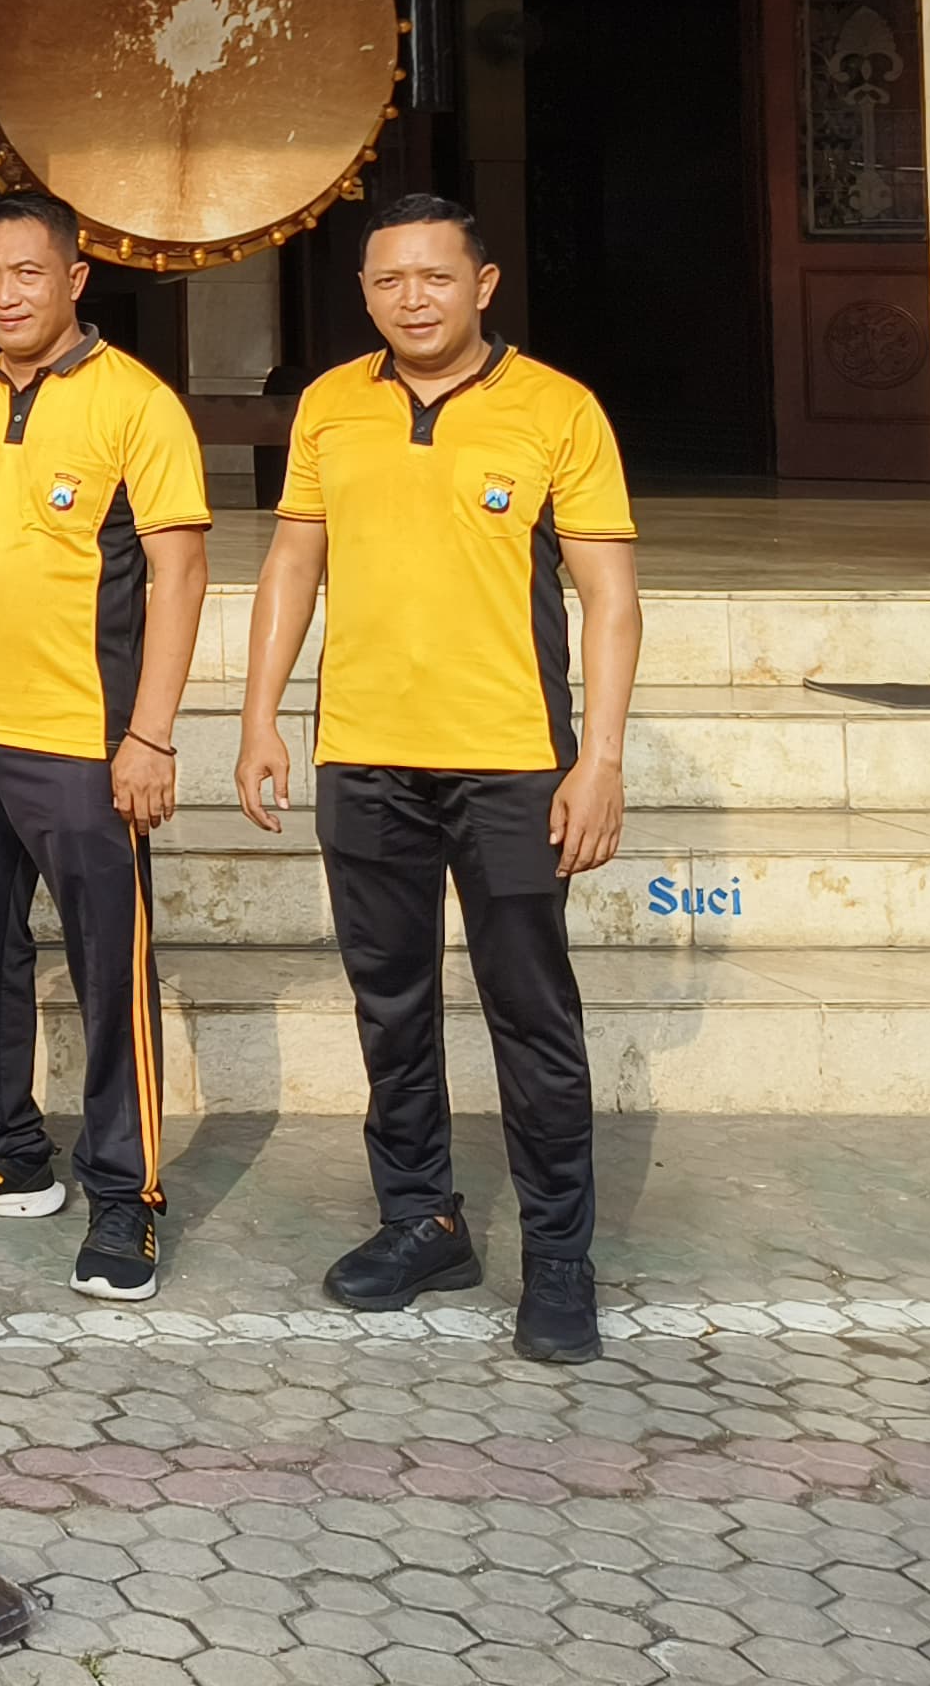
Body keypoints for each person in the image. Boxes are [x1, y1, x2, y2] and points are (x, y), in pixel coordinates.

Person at [235, 191, 641, 1367]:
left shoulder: (556, 408)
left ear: (482, 284)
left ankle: (558, 1256)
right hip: (363, 756)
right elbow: (292, 563)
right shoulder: (331, 403)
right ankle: (421, 1220)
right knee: (391, 1004)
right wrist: (260, 717)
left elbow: (608, 597)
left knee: (532, 1013)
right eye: (387, 280)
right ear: (363, 293)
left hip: (510, 763)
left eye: (434, 277)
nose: (411, 299)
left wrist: (598, 760)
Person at [0, 190, 210, 1302]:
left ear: (74, 279)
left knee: (109, 971)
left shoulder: (137, 403)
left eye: (27, 272)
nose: (4, 293)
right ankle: (1, 1151)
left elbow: (180, 571)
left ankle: (127, 1194)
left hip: (84, 742)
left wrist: (150, 733)